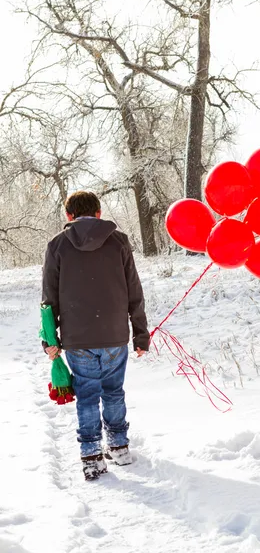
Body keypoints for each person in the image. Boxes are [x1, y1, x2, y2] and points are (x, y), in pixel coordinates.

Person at [41, 191, 149, 481]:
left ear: (69, 216)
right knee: (113, 391)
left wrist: (50, 340)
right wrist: (141, 334)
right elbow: (133, 290)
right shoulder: (118, 241)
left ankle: (91, 456)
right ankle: (119, 446)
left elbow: (48, 298)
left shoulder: (57, 245)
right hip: (114, 334)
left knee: (87, 395)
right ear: (98, 213)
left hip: (78, 338)